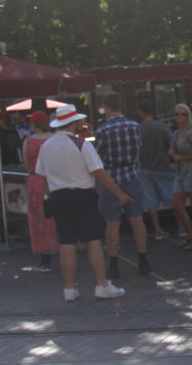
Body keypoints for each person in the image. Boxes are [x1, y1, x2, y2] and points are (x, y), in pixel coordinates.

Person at [35, 104, 129, 301]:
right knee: (93, 240)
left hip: (58, 196)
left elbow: (42, 176)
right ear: (74, 123)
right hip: (82, 195)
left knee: (66, 242)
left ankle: (69, 289)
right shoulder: (81, 145)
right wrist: (118, 193)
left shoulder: (47, 146)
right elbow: (98, 172)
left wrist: (49, 196)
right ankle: (101, 284)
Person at [94, 92, 151, 277]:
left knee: (113, 222)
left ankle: (114, 265)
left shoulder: (103, 130)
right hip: (132, 174)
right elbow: (140, 149)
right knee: (137, 219)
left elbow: (97, 155)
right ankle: (143, 260)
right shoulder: (135, 126)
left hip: (111, 177)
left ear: (107, 107)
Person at [22, 111, 59, 272]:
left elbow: (26, 163)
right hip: (53, 180)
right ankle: (64, 247)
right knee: (57, 215)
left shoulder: (28, 141)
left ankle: (45, 258)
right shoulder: (54, 139)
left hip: (36, 181)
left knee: (40, 217)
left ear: (33, 124)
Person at [169, 104, 192, 250]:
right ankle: (189, 234)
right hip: (179, 172)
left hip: (191, 170)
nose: (179, 116)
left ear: (188, 116)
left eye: (183, 114)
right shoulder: (175, 133)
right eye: (177, 114)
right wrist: (172, 154)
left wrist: (181, 157)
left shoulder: (191, 133)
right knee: (177, 206)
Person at [136, 100, 175, 241]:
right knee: (172, 198)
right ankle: (182, 227)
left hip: (145, 168)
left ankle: (158, 229)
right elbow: (171, 144)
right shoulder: (161, 127)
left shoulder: (137, 129)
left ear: (141, 112)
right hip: (163, 167)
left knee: (150, 201)